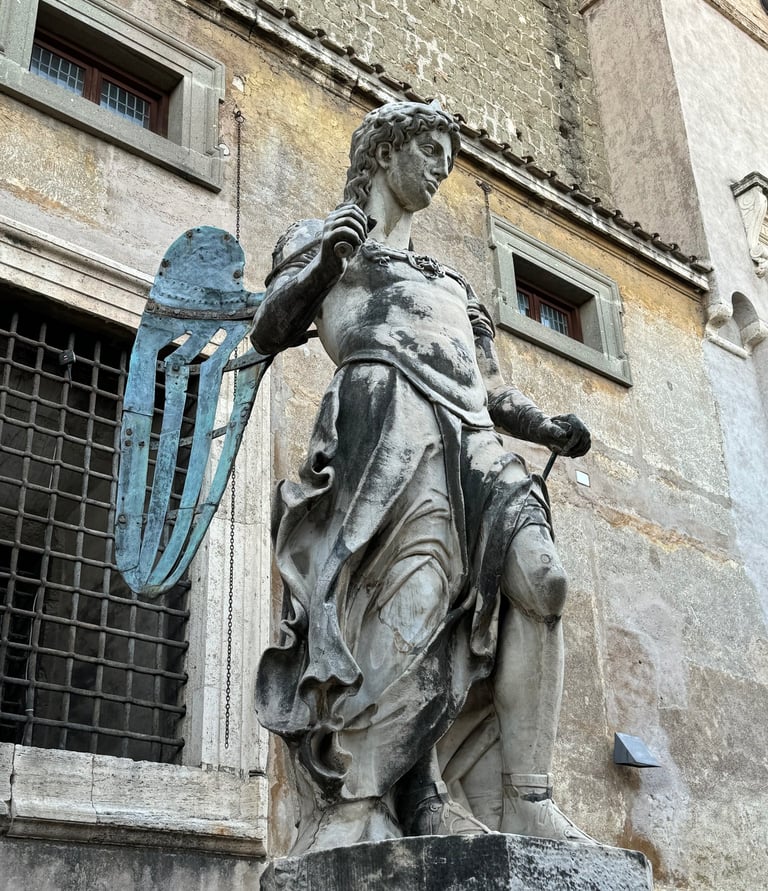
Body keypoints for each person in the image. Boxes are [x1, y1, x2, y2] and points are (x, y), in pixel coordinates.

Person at [251, 100, 594, 855]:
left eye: (449, 154)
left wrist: (543, 426)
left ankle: (528, 797)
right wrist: (325, 270)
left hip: (471, 443)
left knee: (545, 581)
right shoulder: (322, 240)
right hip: (383, 440)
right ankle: (367, 795)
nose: (443, 168)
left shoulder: (453, 284)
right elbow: (269, 328)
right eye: (431, 150)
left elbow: (492, 388)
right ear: (383, 151)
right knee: (407, 617)